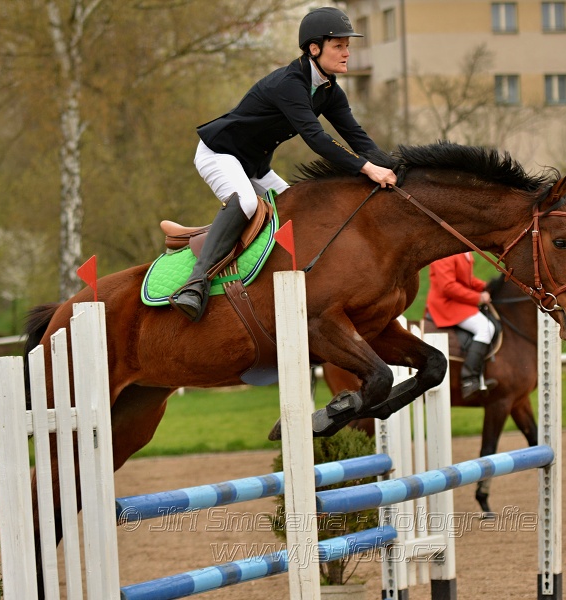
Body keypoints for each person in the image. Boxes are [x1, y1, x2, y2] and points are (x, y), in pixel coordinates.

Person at [170, 6, 397, 322]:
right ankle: (194, 284)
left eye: (347, 45)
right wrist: (368, 169)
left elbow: (357, 137)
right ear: (314, 48)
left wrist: (395, 169)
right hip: (218, 153)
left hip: (255, 167)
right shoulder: (289, 84)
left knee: (298, 211)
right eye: (338, 46)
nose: (347, 52)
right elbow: (317, 138)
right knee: (246, 202)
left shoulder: (329, 90)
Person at [425, 252, 498, 396]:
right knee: (486, 328)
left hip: (458, 301)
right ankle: (469, 379)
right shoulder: (445, 252)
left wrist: (486, 287)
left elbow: (467, 280)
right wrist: (478, 297)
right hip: (446, 304)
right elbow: (448, 286)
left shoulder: (464, 252)